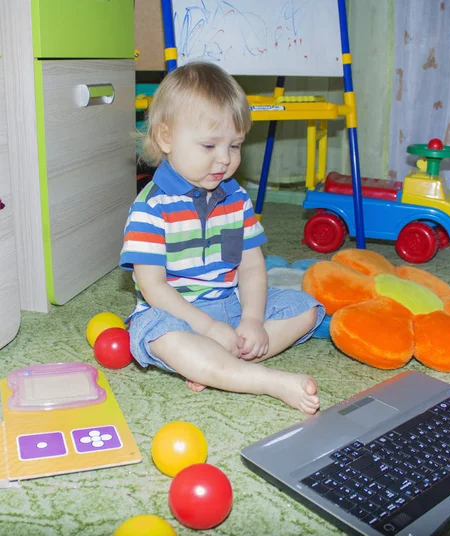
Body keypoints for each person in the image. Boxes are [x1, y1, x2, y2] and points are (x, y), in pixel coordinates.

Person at [121, 62, 325, 414]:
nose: (224, 160)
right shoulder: (150, 208)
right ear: (166, 137)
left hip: (229, 305)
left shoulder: (237, 199)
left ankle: (218, 367)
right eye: (209, 145)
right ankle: (262, 379)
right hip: (174, 314)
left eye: (235, 145)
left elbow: (251, 268)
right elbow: (153, 288)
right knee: (161, 338)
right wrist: (207, 327)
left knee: (307, 310)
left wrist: (251, 319)